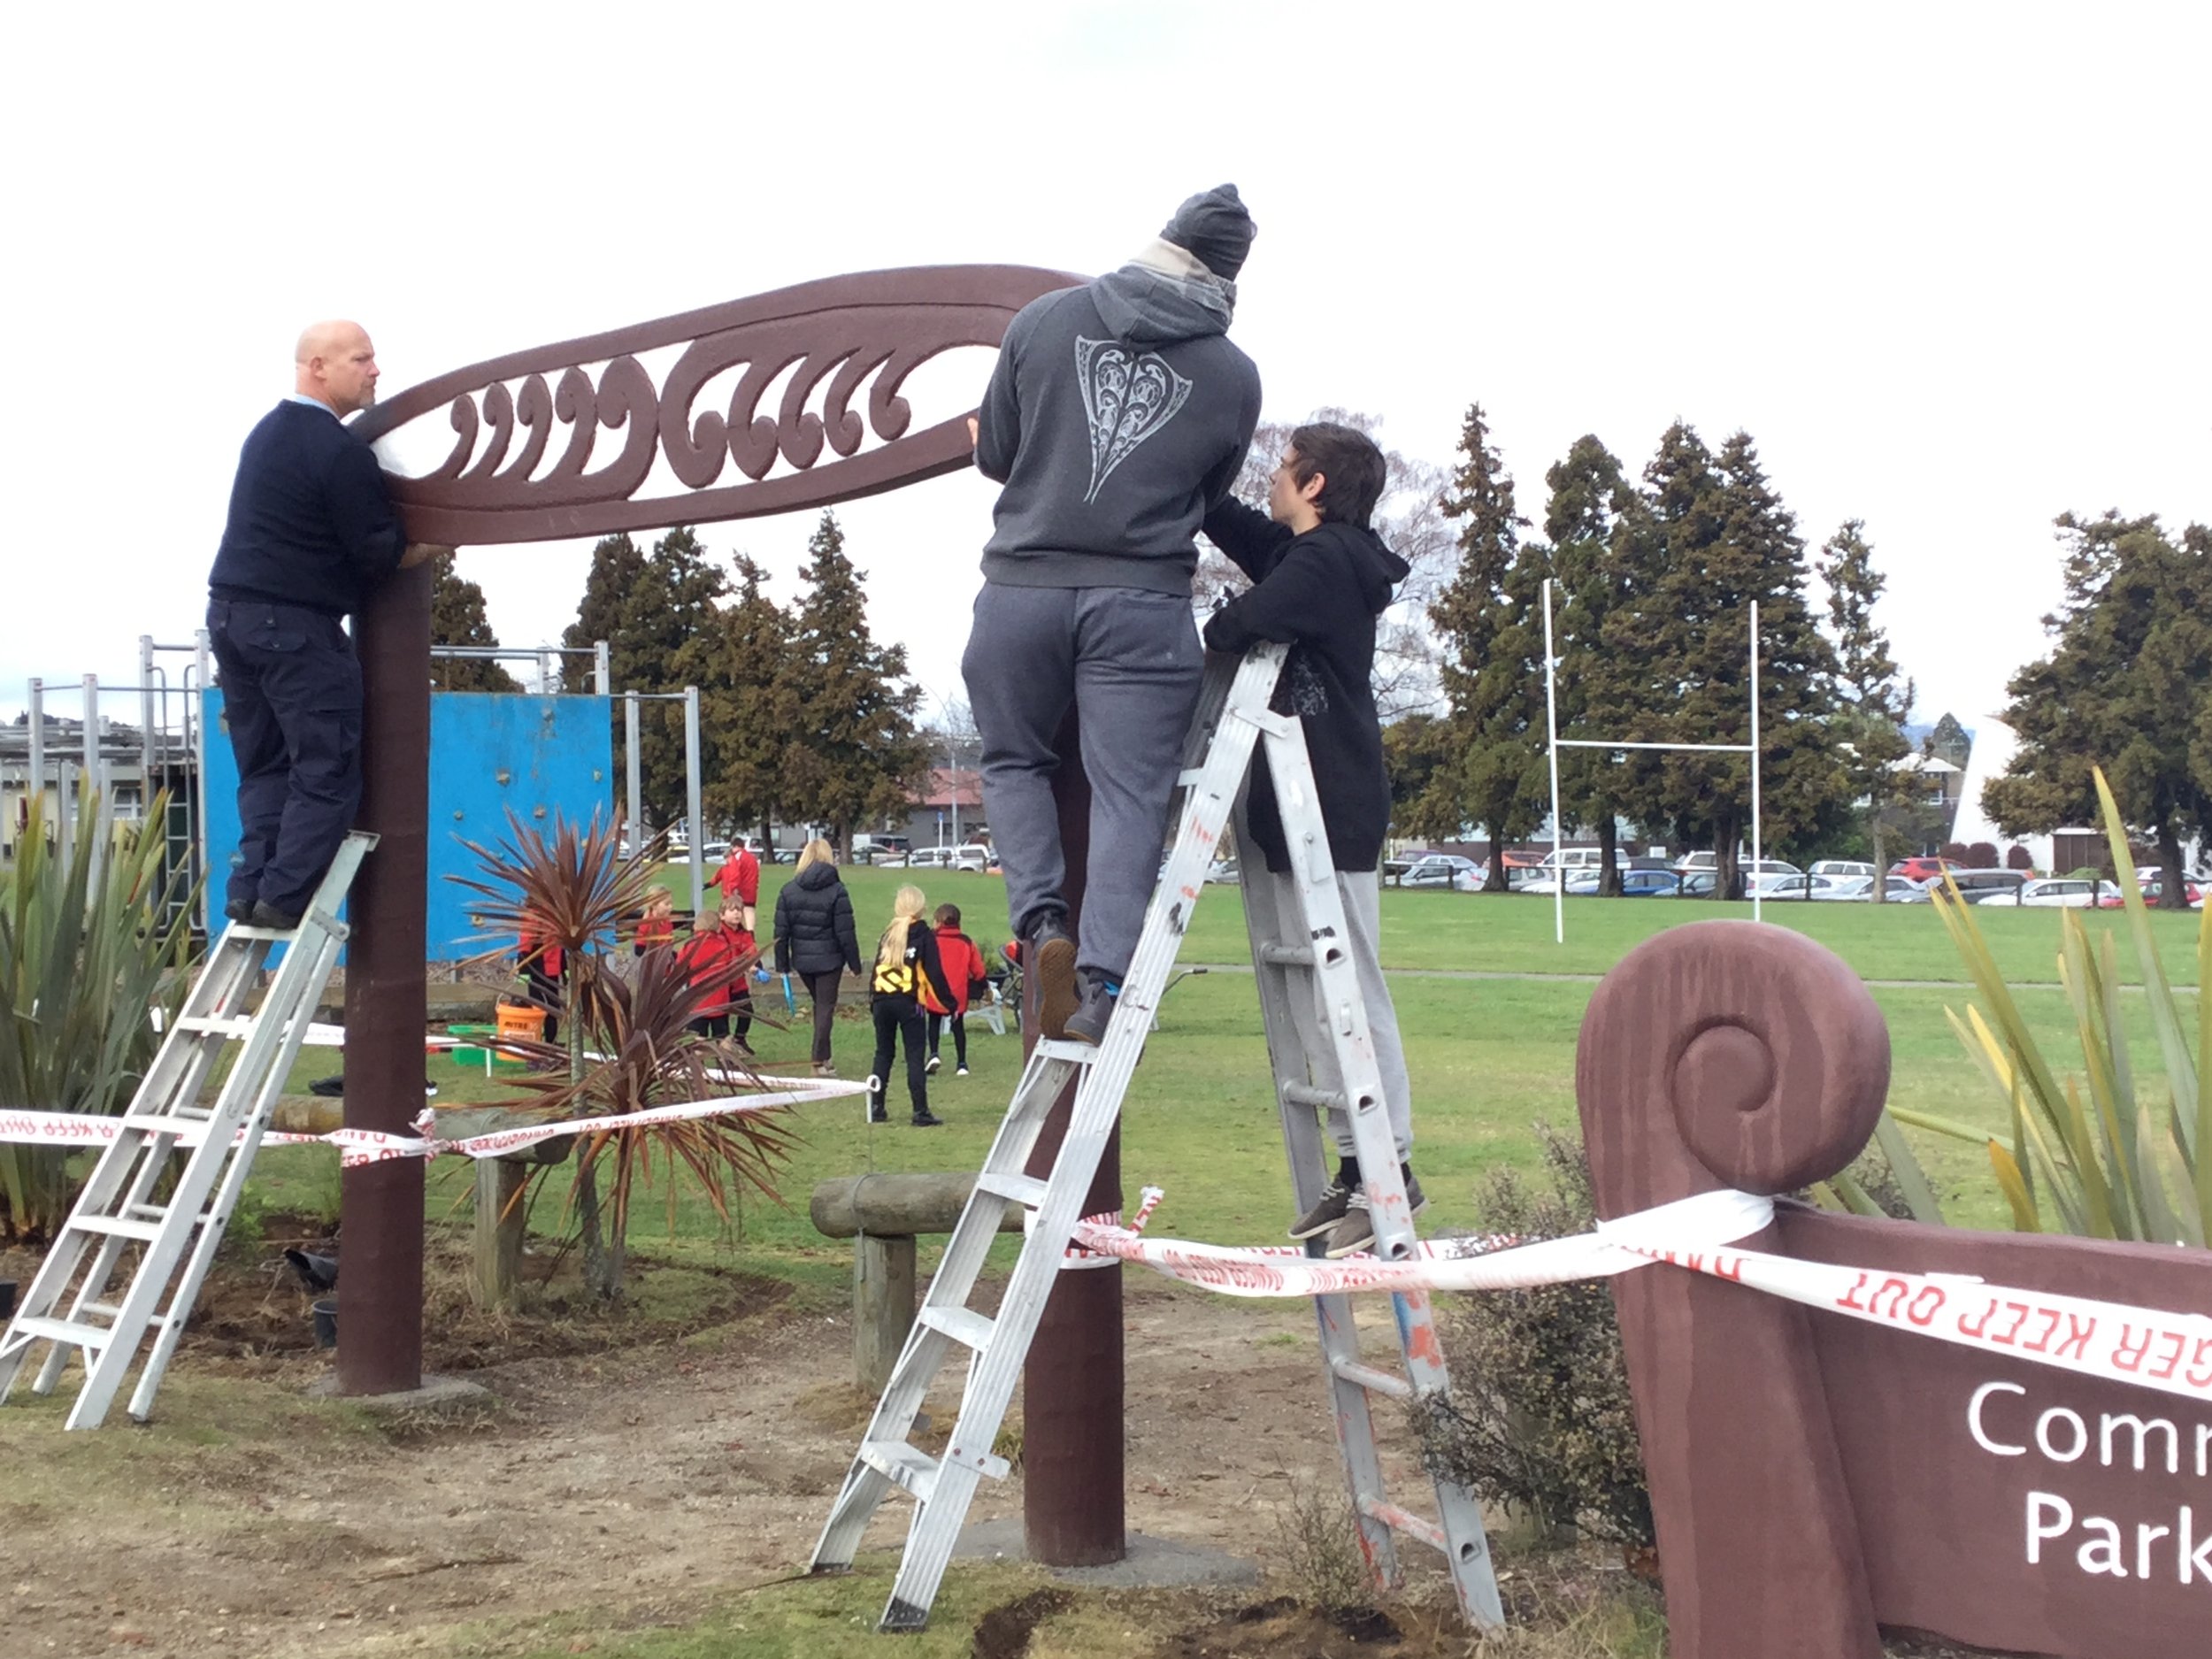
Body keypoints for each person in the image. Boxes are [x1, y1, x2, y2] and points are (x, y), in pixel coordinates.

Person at [964, 185, 1262, 1044]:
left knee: (1013, 760)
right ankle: (1099, 985)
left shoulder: (1044, 321)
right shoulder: (1233, 375)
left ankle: (1041, 925)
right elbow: (1206, 496)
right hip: (1142, 604)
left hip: (1021, 589)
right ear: (1229, 276)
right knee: (1130, 796)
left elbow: (998, 452)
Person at [1199, 422, 1420, 1258]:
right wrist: (1194, 480)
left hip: (1332, 801)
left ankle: (1392, 1166)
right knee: (1318, 1006)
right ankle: (1358, 1163)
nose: (1274, 478)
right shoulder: (1314, 557)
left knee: (1351, 993)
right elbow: (1247, 534)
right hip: (1300, 805)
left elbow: (1237, 623)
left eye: (1286, 467)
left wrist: (1218, 613)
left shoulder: (1328, 562)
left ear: (1316, 485)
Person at [205, 320, 442, 928]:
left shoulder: (265, 435)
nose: (375, 370)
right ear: (318, 366)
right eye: (361, 359)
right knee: (326, 766)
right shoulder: (336, 450)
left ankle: (249, 887)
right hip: (294, 626)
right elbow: (379, 551)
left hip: (231, 617)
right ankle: (284, 898)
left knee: (265, 764)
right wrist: (433, 542)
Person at [865, 886, 956, 1126]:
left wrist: (872, 999)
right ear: (921, 908)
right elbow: (934, 974)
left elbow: (876, 970)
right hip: (909, 1002)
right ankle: (920, 1111)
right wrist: (950, 1003)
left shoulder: (889, 934)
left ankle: (876, 1106)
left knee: (883, 1053)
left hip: (882, 1000)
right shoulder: (924, 935)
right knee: (914, 1056)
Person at [772, 838, 862, 1076]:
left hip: (803, 960)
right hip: (830, 959)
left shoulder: (788, 890)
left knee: (820, 1006)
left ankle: (825, 1057)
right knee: (825, 1008)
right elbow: (846, 932)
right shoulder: (837, 891)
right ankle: (818, 1060)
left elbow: (781, 932)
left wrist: (782, 964)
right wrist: (855, 964)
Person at [676, 895, 755, 1048]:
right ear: (718, 927)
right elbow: (731, 970)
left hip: (697, 1000)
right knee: (722, 1035)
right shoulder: (723, 946)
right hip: (720, 1000)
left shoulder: (689, 946)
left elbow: (679, 969)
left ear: (696, 927)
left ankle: (699, 1059)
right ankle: (725, 1058)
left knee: (698, 1036)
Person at [918, 902, 987, 1077]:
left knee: (934, 1022)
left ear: (938, 921)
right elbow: (978, 969)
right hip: (958, 992)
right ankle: (962, 1063)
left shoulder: (931, 939)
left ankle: (934, 1054)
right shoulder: (966, 942)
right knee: (958, 1027)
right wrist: (984, 986)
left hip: (935, 990)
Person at [634, 887, 676, 956]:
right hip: (647, 952)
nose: (670, 907)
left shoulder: (667, 923)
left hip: (661, 951)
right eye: (667, 904)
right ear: (654, 905)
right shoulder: (648, 921)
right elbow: (639, 945)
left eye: (671, 903)